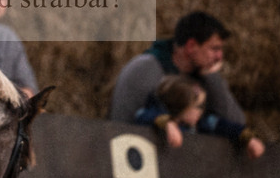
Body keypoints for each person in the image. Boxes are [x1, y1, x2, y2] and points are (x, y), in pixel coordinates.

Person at [109, 11, 246, 126]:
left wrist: (213, 78)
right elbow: (122, 123)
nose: (219, 56)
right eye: (214, 49)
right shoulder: (145, 70)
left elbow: (236, 123)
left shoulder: (205, 78)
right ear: (191, 46)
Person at [135, 74, 265, 158]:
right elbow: (142, 115)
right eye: (198, 107)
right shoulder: (156, 117)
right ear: (182, 106)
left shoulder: (201, 123)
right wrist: (168, 123)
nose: (201, 111)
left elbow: (223, 125)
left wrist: (247, 137)